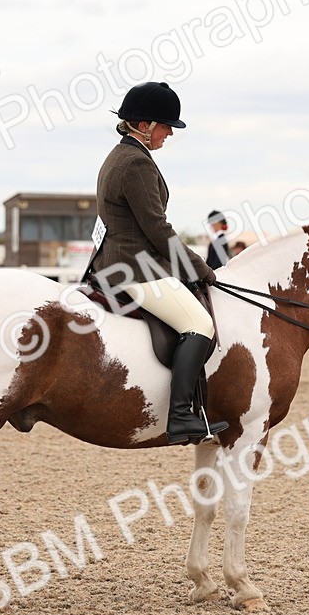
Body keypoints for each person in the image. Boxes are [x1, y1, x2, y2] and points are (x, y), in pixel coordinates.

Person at [91, 82, 229, 445]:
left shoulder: (118, 155)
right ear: (145, 125)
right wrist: (200, 269)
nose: (169, 133)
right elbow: (157, 229)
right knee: (200, 324)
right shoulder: (135, 162)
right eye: (166, 126)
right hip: (134, 269)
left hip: (117, 262)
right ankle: (181, 415)